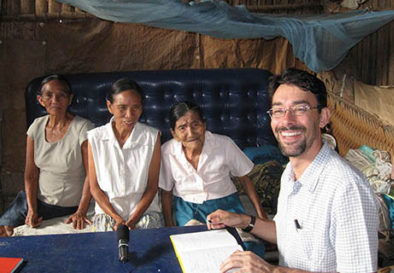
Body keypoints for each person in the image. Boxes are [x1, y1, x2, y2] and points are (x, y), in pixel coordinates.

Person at [207, 68, 379, 273]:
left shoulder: (347, 189)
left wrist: (270, 271)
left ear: (323, 118)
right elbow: (288, 234)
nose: (287, 121)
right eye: (278, 110)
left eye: (300, 109)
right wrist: (243, 221)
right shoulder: (290, 173)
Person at [159, 101, 267, 255]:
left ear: (204, 125)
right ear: (174, 133)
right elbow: (166, 193)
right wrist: (170, 228)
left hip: (226, 204)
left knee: (245, 249)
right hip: (189, 209)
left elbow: (245, 179)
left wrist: (261, 216)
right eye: (182, 127)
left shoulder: (224, 144)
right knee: (195, 251)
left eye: (195, 124)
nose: (190, 133)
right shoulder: (167, 151)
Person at [0, 75, 94, 236]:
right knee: (3, 232)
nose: (55, 100)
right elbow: (31, 174)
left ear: (70, 99)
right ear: (40, 100)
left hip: (68, 204)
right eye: (49, 95)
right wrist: (32, 209)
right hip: (36, 201)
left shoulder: (83, 128)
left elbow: (92, 174)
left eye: (61, 95)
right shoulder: (36, 127)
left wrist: (81, 210)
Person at [88, 78, 163, 231]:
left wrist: (133, 220)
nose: (129, 115)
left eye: (136, 107)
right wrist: (117, 219)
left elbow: (152, 187)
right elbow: (94, 188)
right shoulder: (95, 138)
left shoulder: (152, 137)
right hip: (108, 214)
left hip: (144, 213)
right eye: (122, 108)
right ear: (110, 106)